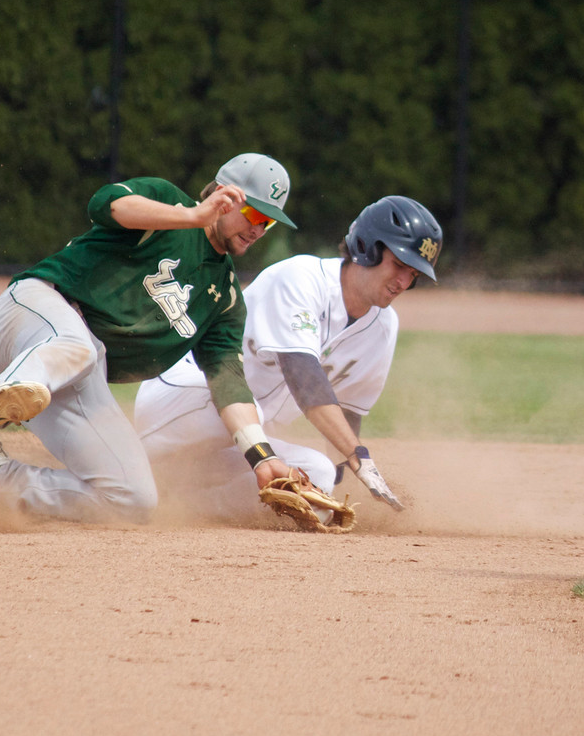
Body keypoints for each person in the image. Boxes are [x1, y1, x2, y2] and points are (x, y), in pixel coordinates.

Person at [0, 153, 301, 523]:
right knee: (80, 345)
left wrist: (262, 457)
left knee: (132, 500)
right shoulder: (167, 202)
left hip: (76, 372)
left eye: (267, 222)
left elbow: (228, 380)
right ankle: (13, 386)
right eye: (253, 213)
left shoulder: (225, 297)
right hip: (38, 307)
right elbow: (106, 203)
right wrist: (192, 217)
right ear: (221, 193)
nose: (257, 228)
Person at [134, 195, 442, 523]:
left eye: (413, 274)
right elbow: (303, 377)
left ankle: (181, 506)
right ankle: (144, 464)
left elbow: (348, 411)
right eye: (399, 265)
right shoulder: (301, 278)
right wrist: (359, 456)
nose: (403, 282)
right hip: (179, 401)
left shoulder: (383, 326)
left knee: (316, 476)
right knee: (256, 412)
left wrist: (335, 486)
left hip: (243, 440)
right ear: (367, 247)